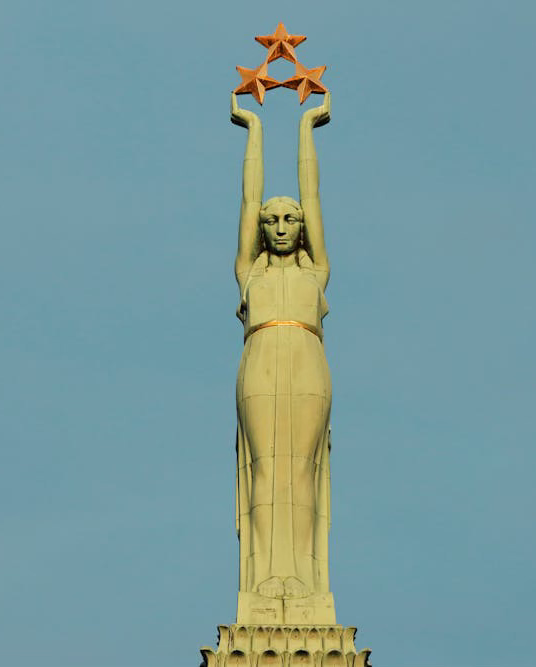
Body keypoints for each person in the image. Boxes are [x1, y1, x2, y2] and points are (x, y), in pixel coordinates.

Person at [230, 91, 333, 600]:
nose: (281, 227)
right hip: (262, 358)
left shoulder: (318, 272)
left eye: (290, 220)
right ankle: (268, 576)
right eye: (272, 222)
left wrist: (307, 127)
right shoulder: (248, 273)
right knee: (266, 466)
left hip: (307, 358)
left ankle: (303, 577)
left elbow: (312, 196)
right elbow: (249, 201)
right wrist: (253, 128)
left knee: (302, 469)